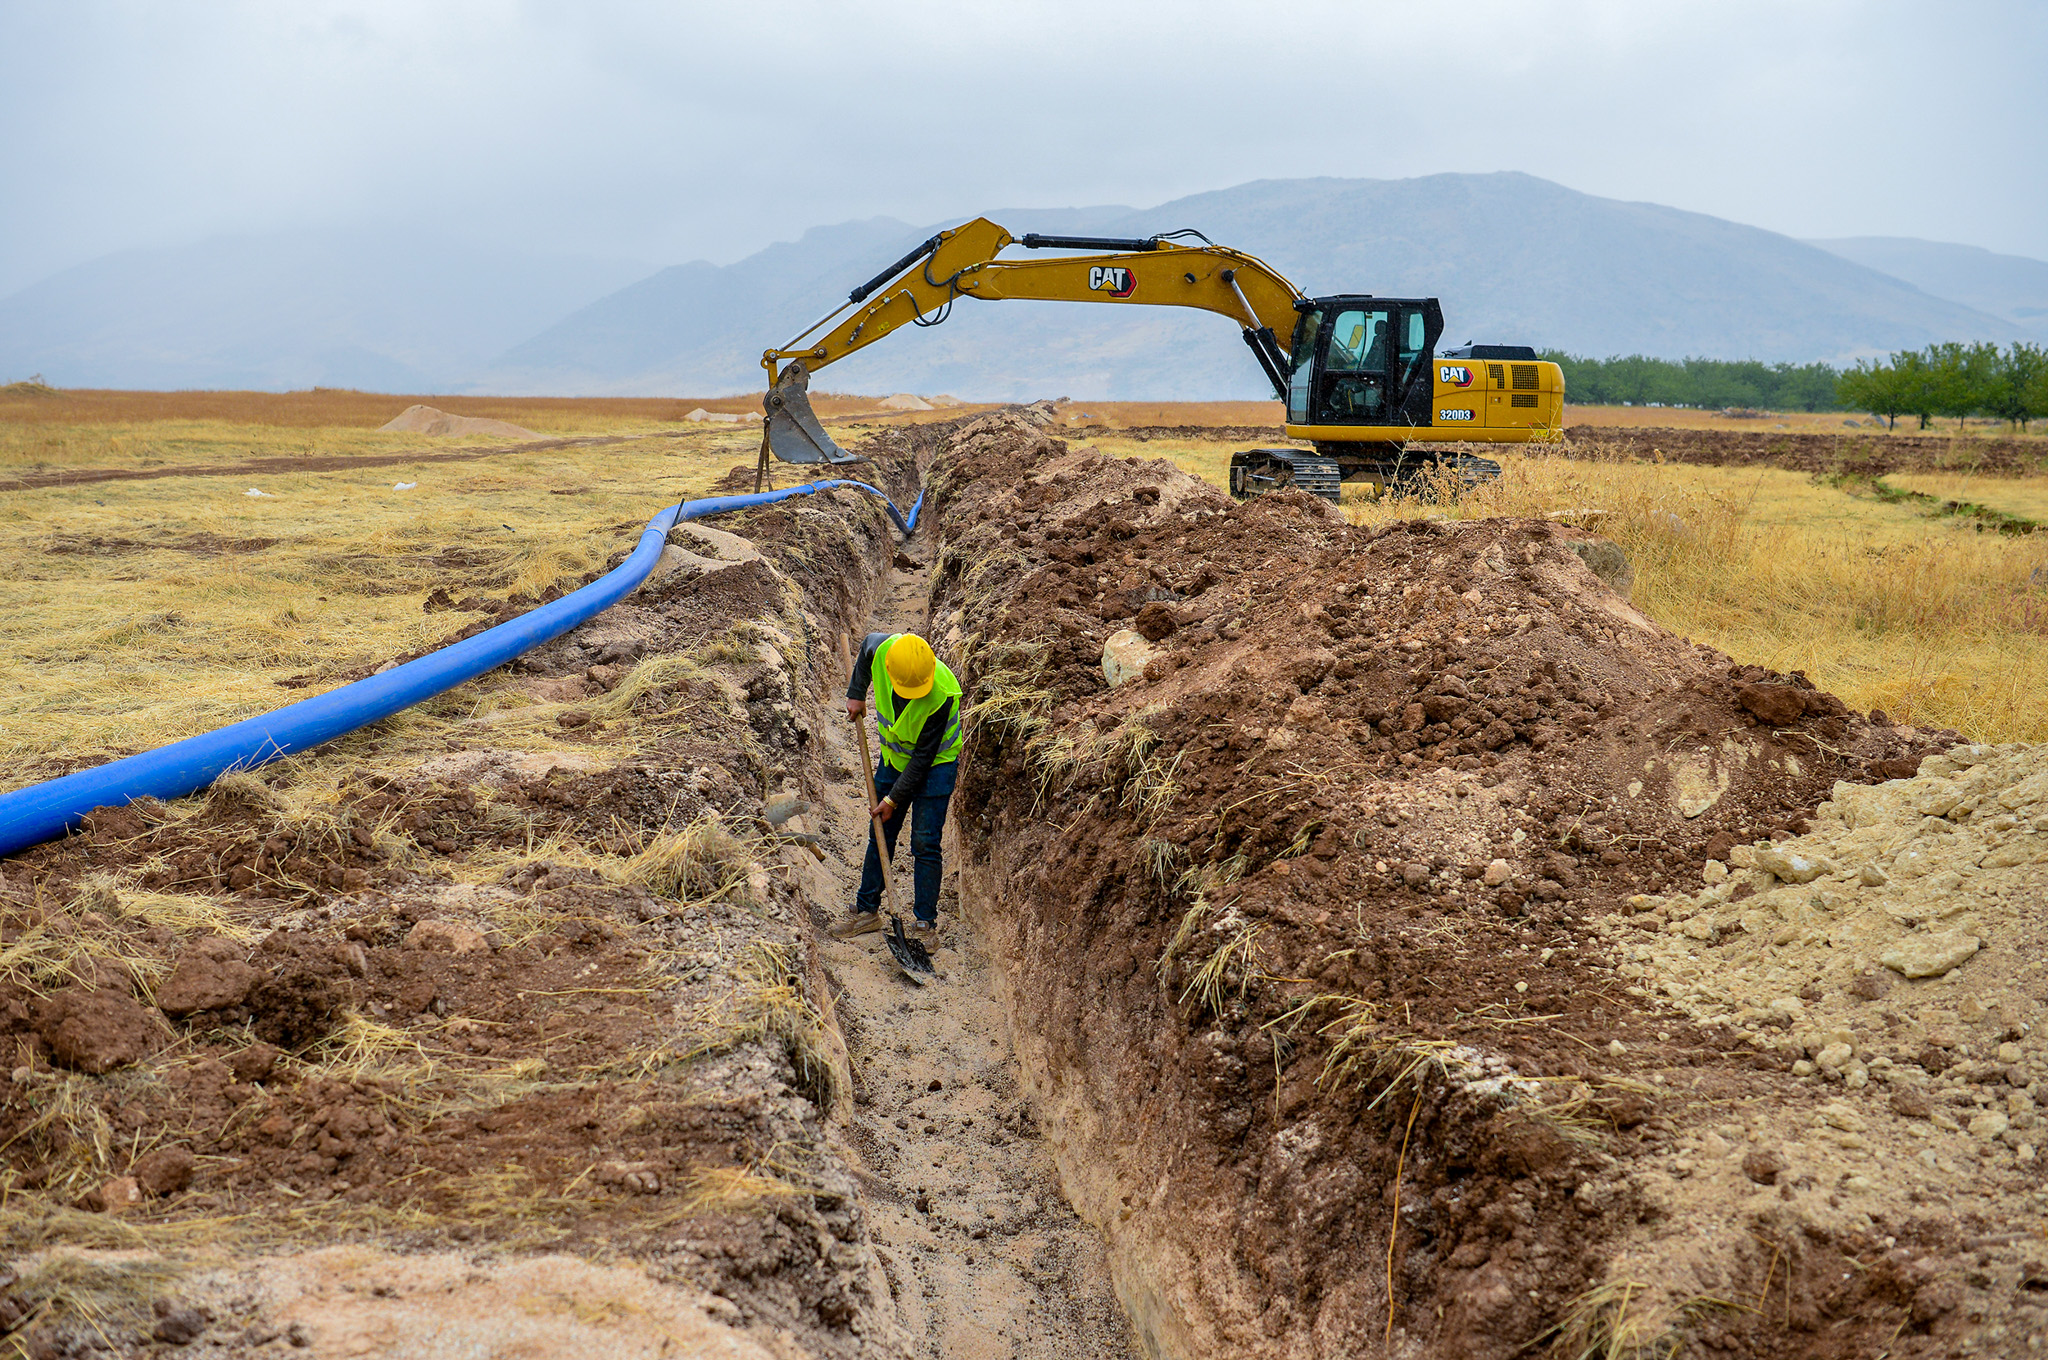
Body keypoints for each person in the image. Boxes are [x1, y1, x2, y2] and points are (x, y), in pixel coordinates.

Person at [830, 631, 962, 940]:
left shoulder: (941, 693)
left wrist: (893, 799)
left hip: (936, 765)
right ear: (889, 669)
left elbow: (923, 758)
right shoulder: (883, 649)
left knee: (925, 842)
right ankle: (867, 911)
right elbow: (864, 651)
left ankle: (925, 924)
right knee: (880, 833)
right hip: (894, 759)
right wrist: (857, 692)